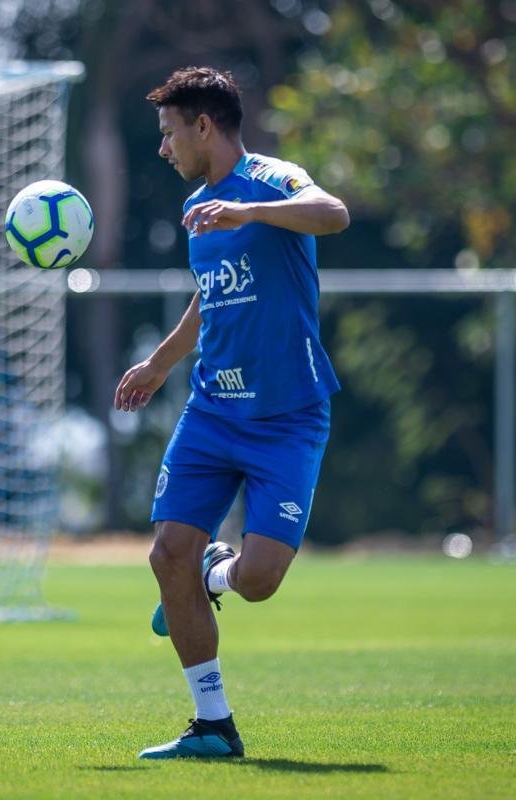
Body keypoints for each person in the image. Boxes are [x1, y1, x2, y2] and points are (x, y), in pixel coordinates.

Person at [113, 66, 350, 760]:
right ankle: (213, 724)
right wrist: (160, 364)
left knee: (258, 582)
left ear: (203, 126)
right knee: (167, 555)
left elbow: (333, 213)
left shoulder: (273, 179)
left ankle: (217, 569)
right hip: (213, 411)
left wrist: (251, 212)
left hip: (288, 417)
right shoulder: (197, 210)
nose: (163, 148)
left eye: (169, 133)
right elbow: (208, 297)